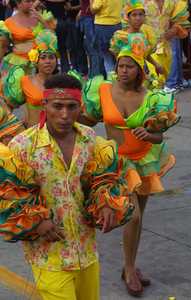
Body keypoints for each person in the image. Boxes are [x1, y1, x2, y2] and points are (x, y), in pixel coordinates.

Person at [0, 73, 138, 299]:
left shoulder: (90, 139)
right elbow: (8, 193)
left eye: (71, 107)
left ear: (80, 107)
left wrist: (106, 203)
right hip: (48, 255)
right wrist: (35, 219)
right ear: (45, 104)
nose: (64, 115)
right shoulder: (22, 146)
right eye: (57, 106)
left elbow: (103, 178)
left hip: (86, 250)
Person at [80, 47, 179, 297]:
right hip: (117, 162)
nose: (123, 71)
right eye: (120, 65)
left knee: (139, 216)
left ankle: (130, 267)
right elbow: (87, 120)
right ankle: (129, 267)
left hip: (144, 161)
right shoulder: (102, 91)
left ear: (139, 70)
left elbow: (158, 135)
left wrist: (151, 134)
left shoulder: (151, 97)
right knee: (132, 216)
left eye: (130, 66)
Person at [110, 0, 164, 88]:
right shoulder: (122, 37)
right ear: (128, 18)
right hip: (128, 76)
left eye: (140, 14)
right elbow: (118, 58)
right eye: (134, 15)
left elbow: (144, 55)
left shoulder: (145, 34)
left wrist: (156, 65)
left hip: (143, 72)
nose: (138, 18)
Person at [140, 0, 190, 93]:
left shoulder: (172, 2)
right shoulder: (142, 3)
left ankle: (173, 84)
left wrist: (174, 29)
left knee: (172, 57)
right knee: (156, 64)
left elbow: (180, 17)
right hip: (152, 40)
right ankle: (171, 84)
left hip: (167, 37)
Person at [0, 0, 56, 79]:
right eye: (27, 1)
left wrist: (42, 20)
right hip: (18, 65)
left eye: (32, 1)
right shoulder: (9, 22)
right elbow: (3, 47)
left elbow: (53, 38)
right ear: (18, 3)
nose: (31, 4)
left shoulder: (41, 18)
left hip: (39, 64)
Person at [90, 0, 123, 75]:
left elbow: (94, 9)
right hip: (117, 24)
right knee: (117, 55)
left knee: (107, 56)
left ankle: (111, 80)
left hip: (103, 25)